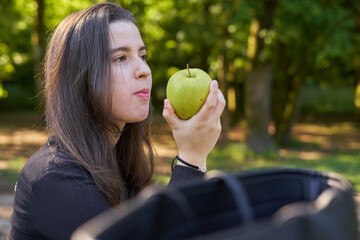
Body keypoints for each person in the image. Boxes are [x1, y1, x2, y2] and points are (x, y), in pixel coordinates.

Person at [8, 2, 225, 240]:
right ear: (81, 77)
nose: (144, 70)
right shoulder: (53, 176)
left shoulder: (120, 163)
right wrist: (191, 161)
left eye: (142, 56)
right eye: (120, 58)